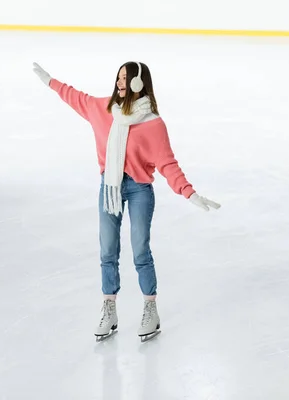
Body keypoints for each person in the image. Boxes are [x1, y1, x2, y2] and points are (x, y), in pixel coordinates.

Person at [32, 61, 221, 341]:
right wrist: (49, 81)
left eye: (127, 77)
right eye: (119, 76)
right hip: (109, 187)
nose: (121, 82)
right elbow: (73, 96)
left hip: (139, 189)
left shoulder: (152, 123)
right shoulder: (102, 109)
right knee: (107, 250)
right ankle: (109, 308)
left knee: (140, 250)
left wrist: (188, 192)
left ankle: (150, 309)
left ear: (138, 83)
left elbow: (167, 163)